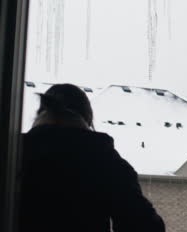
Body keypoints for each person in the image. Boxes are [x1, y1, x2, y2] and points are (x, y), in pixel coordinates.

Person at [19, 83, 165, 232]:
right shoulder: (105, 161)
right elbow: (143, 225)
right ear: (87, 120)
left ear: (41, 114)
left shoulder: (10, 155)